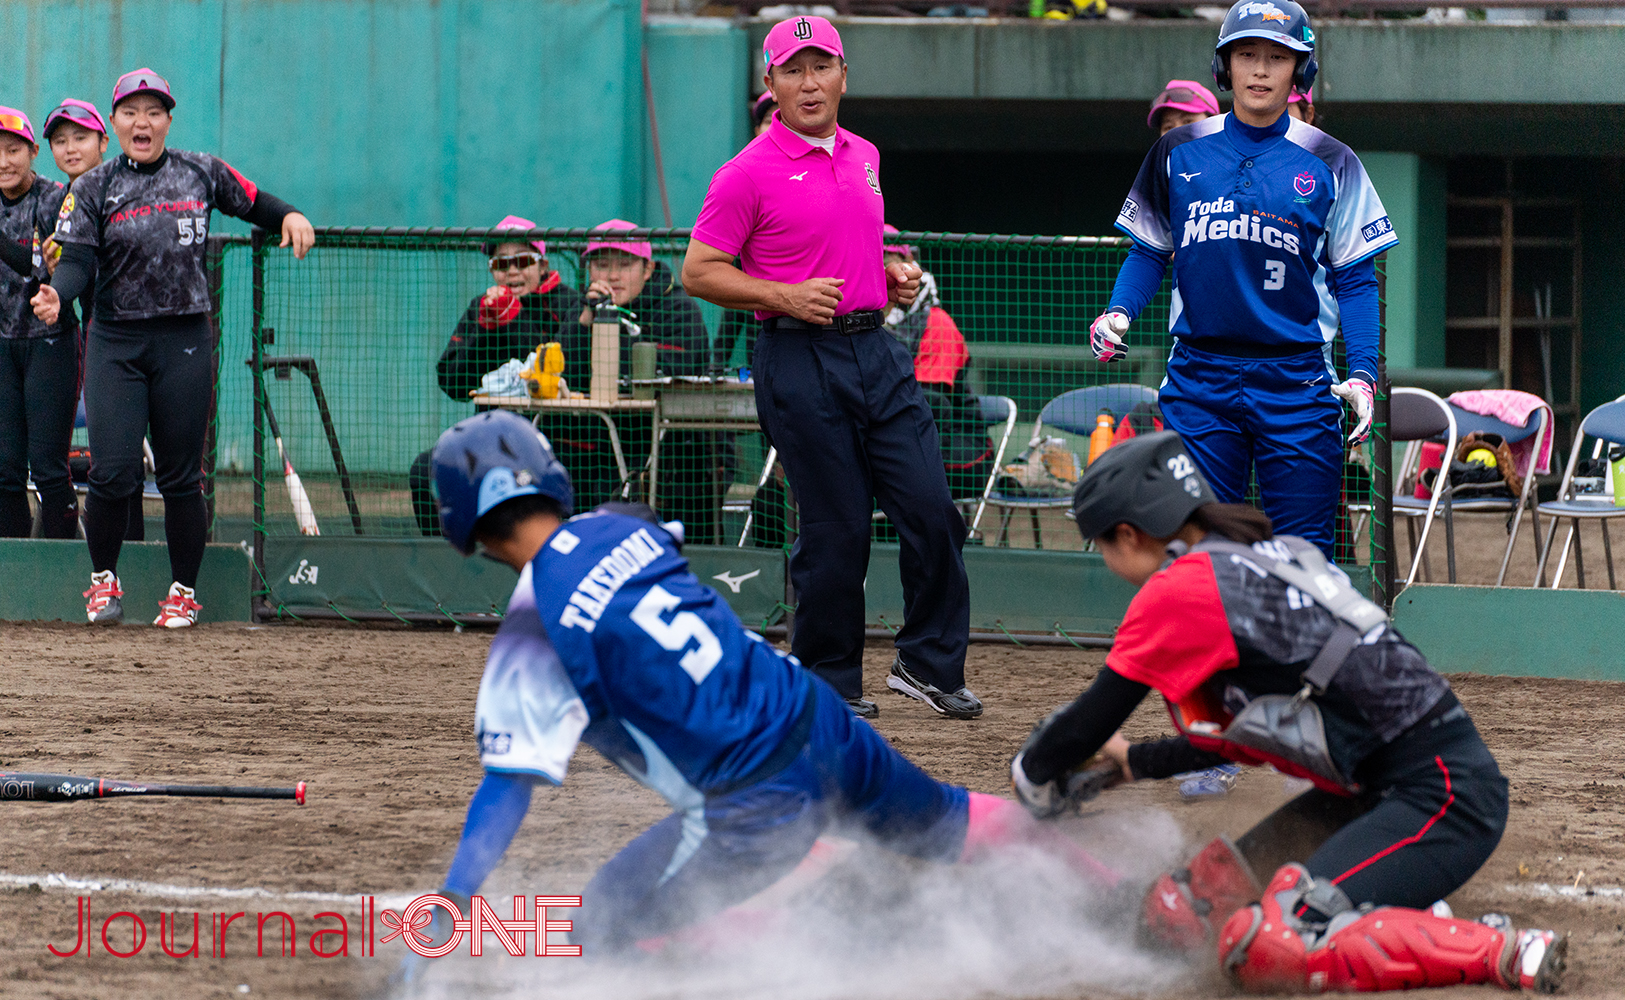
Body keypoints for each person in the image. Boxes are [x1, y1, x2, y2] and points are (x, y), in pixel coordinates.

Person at [390, 410, 1110, 986]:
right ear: (547, 477)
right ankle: (1119, 889)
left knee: (594, 931)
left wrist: (452, 899)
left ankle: (812, 905)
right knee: (948, 819)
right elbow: (643, 544)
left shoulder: (532, 629)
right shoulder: (618, 529)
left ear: (461, 524)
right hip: (817, 716)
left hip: (754, 802)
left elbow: (508, 785)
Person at [1008, 431, 1565, 994]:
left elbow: (1089, 721)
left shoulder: (1185, 587)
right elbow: (1252, 736)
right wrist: (1135, 763)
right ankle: (1386, 902)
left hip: (1445, 798)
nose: (1107, 561)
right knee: (1188, 907)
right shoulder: (1254, 556)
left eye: (1102, 546)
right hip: (1379, 789)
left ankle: (1504, 949)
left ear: (1128, 534)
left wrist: (1031, 780)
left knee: (1273, 939)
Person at [682, 16, 979, 720]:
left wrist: (887, 271)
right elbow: (699, 271)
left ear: (844, 75)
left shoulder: (865, 154)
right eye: (792, 70)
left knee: (932, 509)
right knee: (835, 527)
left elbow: (843, 234)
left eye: (820, 67)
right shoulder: (744, 173)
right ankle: (827, 679)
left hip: (876, 350)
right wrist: (781, 295)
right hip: (795, 355)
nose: (808, 82)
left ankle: (926, 664)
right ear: (771, 84)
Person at [1088, 0, 1391, 558]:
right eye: (1245, 54)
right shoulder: (1176, 149)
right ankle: (1217, 650)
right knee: (1200, 548)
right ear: (1222, 66)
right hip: (1200, 378)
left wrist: (1365, 372)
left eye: (1277, 58)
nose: (1258, 70)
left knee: (1302, 557)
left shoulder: (1333, 160)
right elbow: (1150, 250)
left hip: (1297, 380)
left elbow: (1356, 278)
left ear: (1299, 72)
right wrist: (1119, 310)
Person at [35, 68, 315, 626]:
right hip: (116, 341)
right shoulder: (94, 187)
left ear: (167, 120)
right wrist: (58, 297)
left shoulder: (200, 171)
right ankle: (103, 582)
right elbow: (77, 261)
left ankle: (183, 591)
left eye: (154, 111)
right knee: (114, 472)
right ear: (114, 122)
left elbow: (254, 201)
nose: (143, 121)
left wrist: (290, 215)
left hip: (186, 339)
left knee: (183, 477)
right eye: (131, 112)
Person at [407, 215, 583, 535]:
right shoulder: (482, 307)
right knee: (424, 471)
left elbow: (567, 371)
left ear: (542, 266)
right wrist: (488, 329)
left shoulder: (571, 304)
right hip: (491, 440)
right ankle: (445, 562)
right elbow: (453, 382)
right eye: (502, 264)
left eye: (522, 261)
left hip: (556, 439)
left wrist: (512, 320)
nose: (512, 271)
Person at [569, 220, 722, 542]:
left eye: (624, 265)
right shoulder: (586, 310)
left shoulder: (679, 309)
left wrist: (611, 335)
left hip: (681, 452)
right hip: (606, 443)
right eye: (601, 265)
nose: (611, 276)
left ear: (648, 269)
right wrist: (586, 323)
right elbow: (565, 372)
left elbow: (668, 368)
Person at [39, 98, 145, 543]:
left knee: (168, 468)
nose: (70, 149)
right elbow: (66, 277)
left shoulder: (132, 187)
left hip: (158, 339)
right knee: (112, 462)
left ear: (104, 140)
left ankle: (150, 562)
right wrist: (54, 277)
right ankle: (106, 567)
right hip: (99, 341)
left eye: (80, 138)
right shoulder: (61, 203)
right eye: (60, 141)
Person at [0, 108, 79, 540]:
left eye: (13, 150)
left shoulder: (57, 200)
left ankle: (64, 569)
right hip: (1, 346)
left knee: (49, 466)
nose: (4, 162)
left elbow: (47, 268)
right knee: (5, 468)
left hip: (50, 343)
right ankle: (12, 575)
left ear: (33, 151)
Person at [879, 225, 992, 501]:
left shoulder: (936, 321)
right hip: (905, 446)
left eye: (884, 259)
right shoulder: (866, 321)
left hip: (960, 448)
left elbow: (930, 407)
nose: (878, 268)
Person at [1147, 79, 1220, 137]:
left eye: (1188, 122)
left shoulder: (1229, 154)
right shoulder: (1160, 154)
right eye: (1168, 127)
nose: (1177, 132)